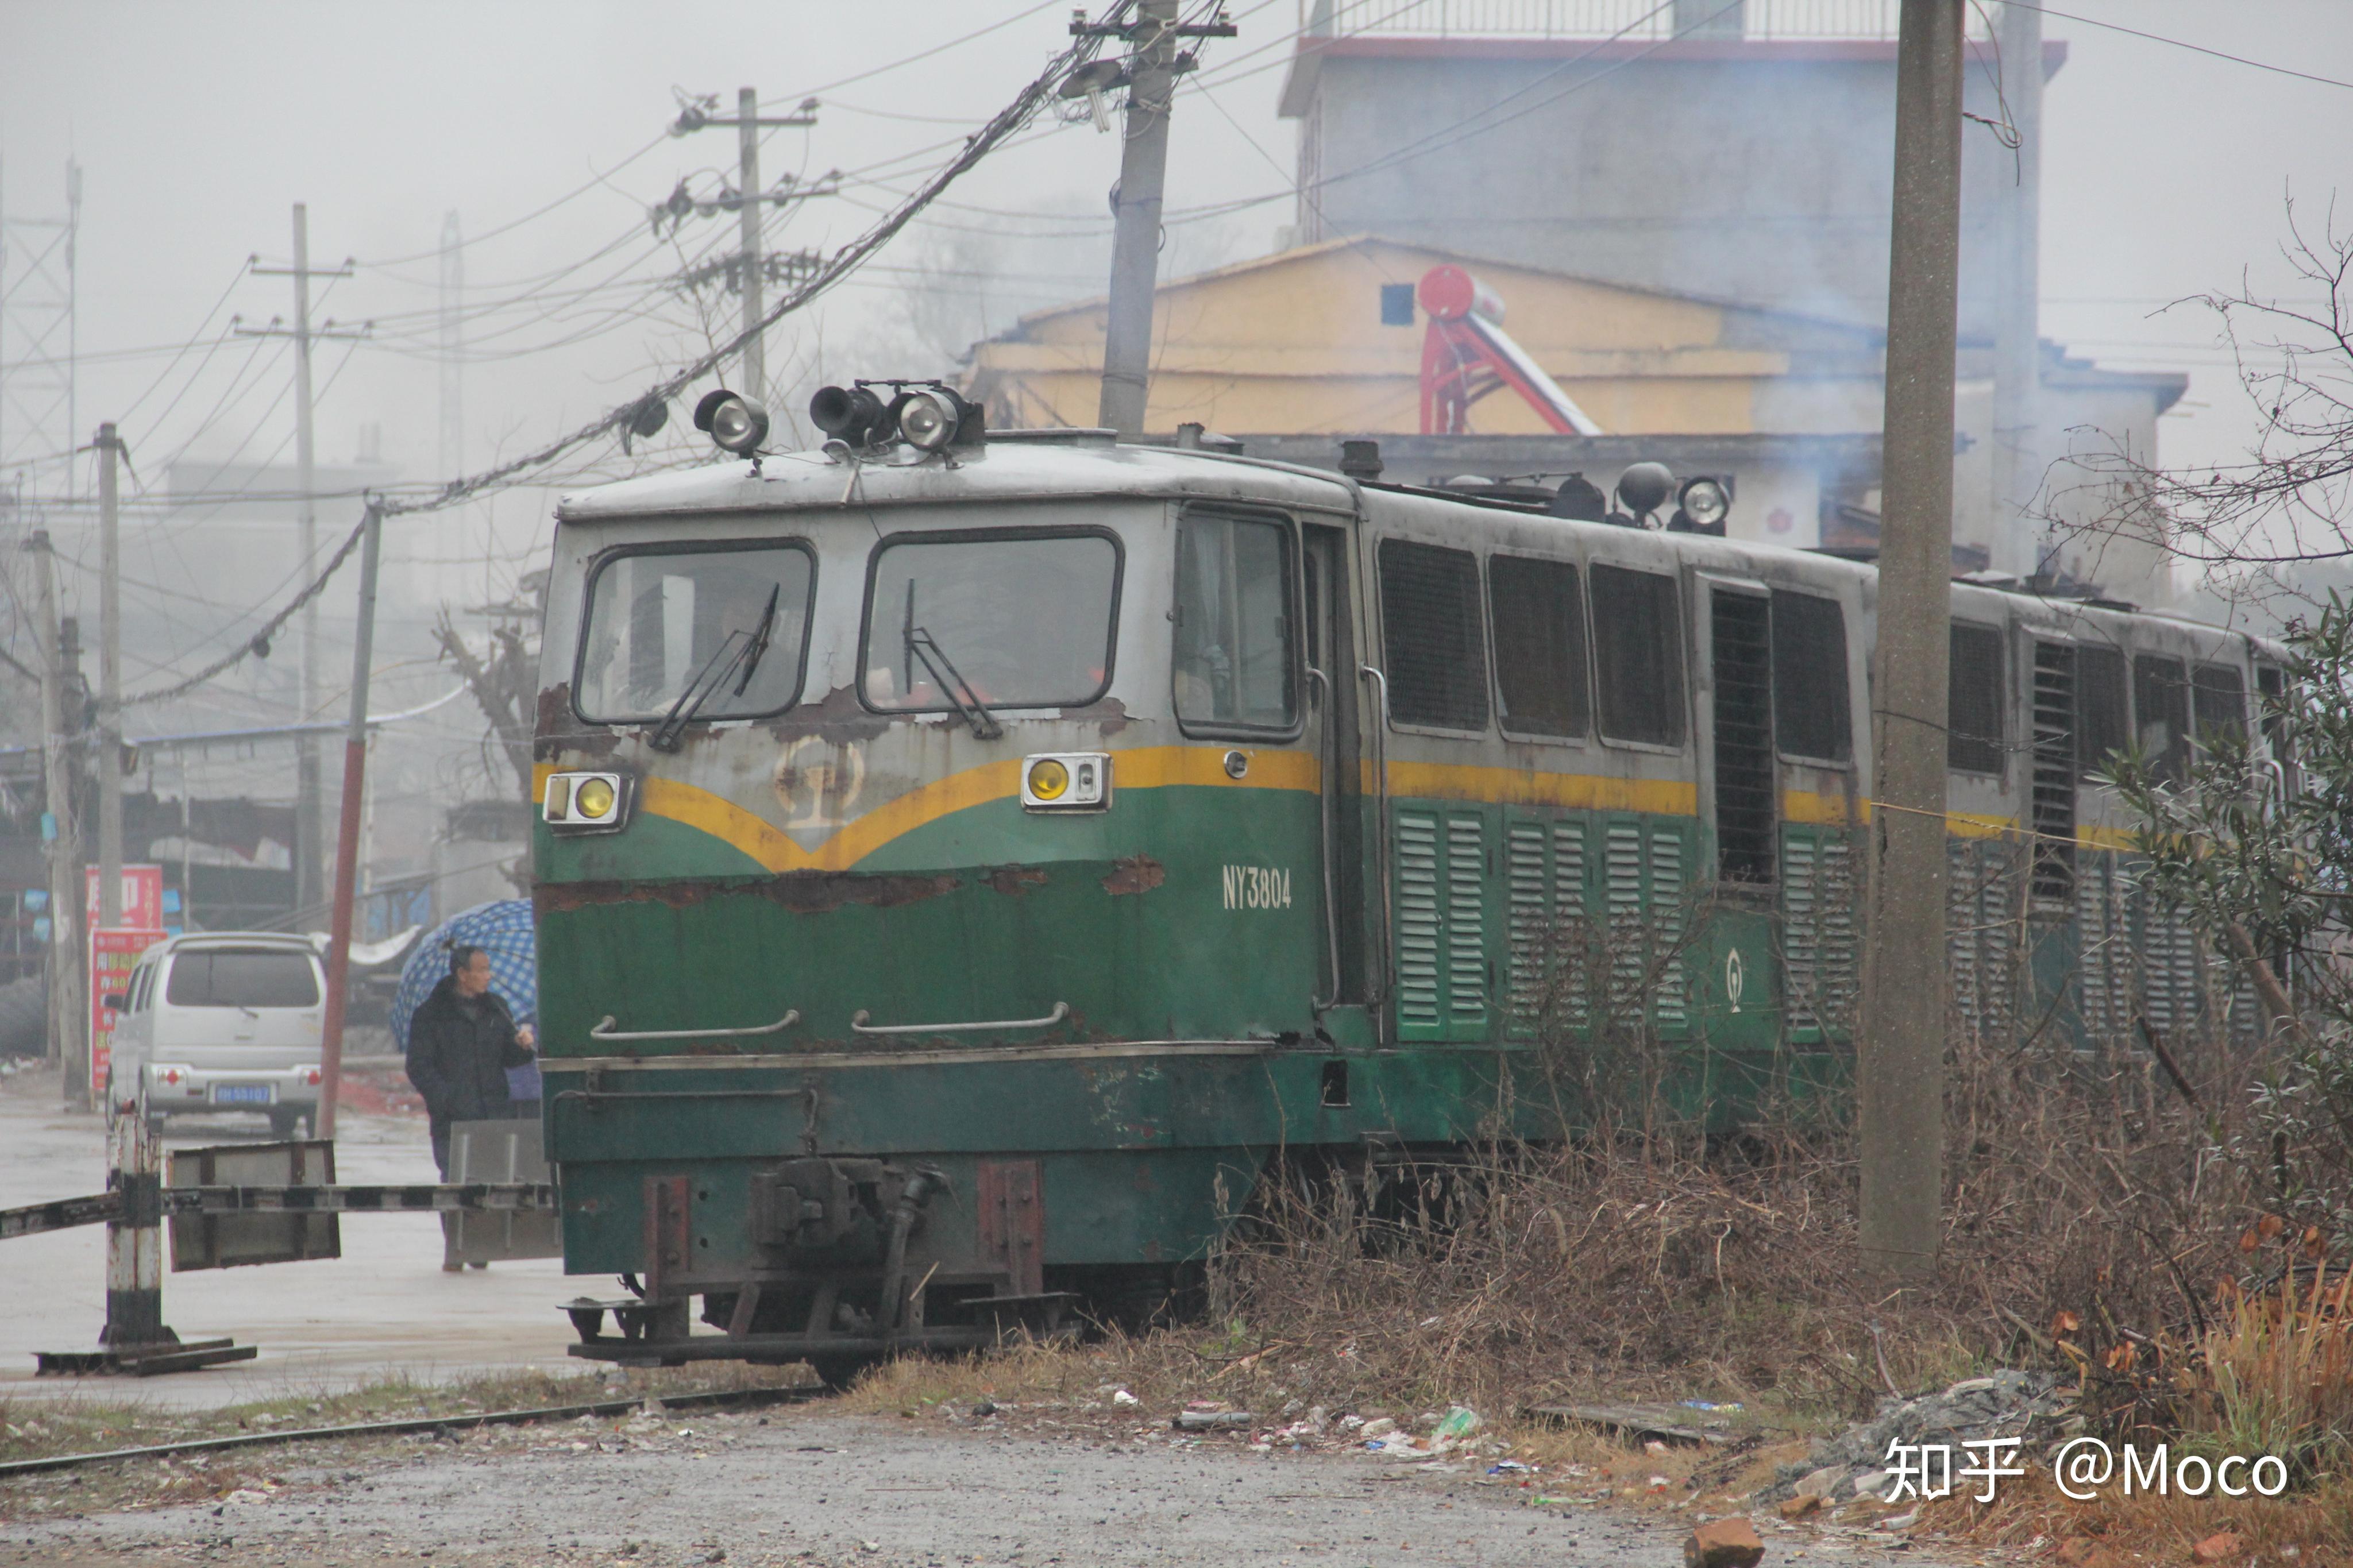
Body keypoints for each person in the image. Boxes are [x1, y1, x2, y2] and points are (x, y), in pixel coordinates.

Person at [404, 944, 536, 1272]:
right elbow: (419, 1067)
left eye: (489, 968)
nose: (489, 975)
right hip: (452, 1118)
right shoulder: (431, 1015)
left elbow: (509, 1058)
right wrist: (446, 1100)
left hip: (493, 1113)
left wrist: (522, 1047)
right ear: (463, 975)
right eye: (483, 970)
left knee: (489, 1181)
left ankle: (480, 1247)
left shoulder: (497, 1009)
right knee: (455, 1182)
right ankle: (456, 1250)